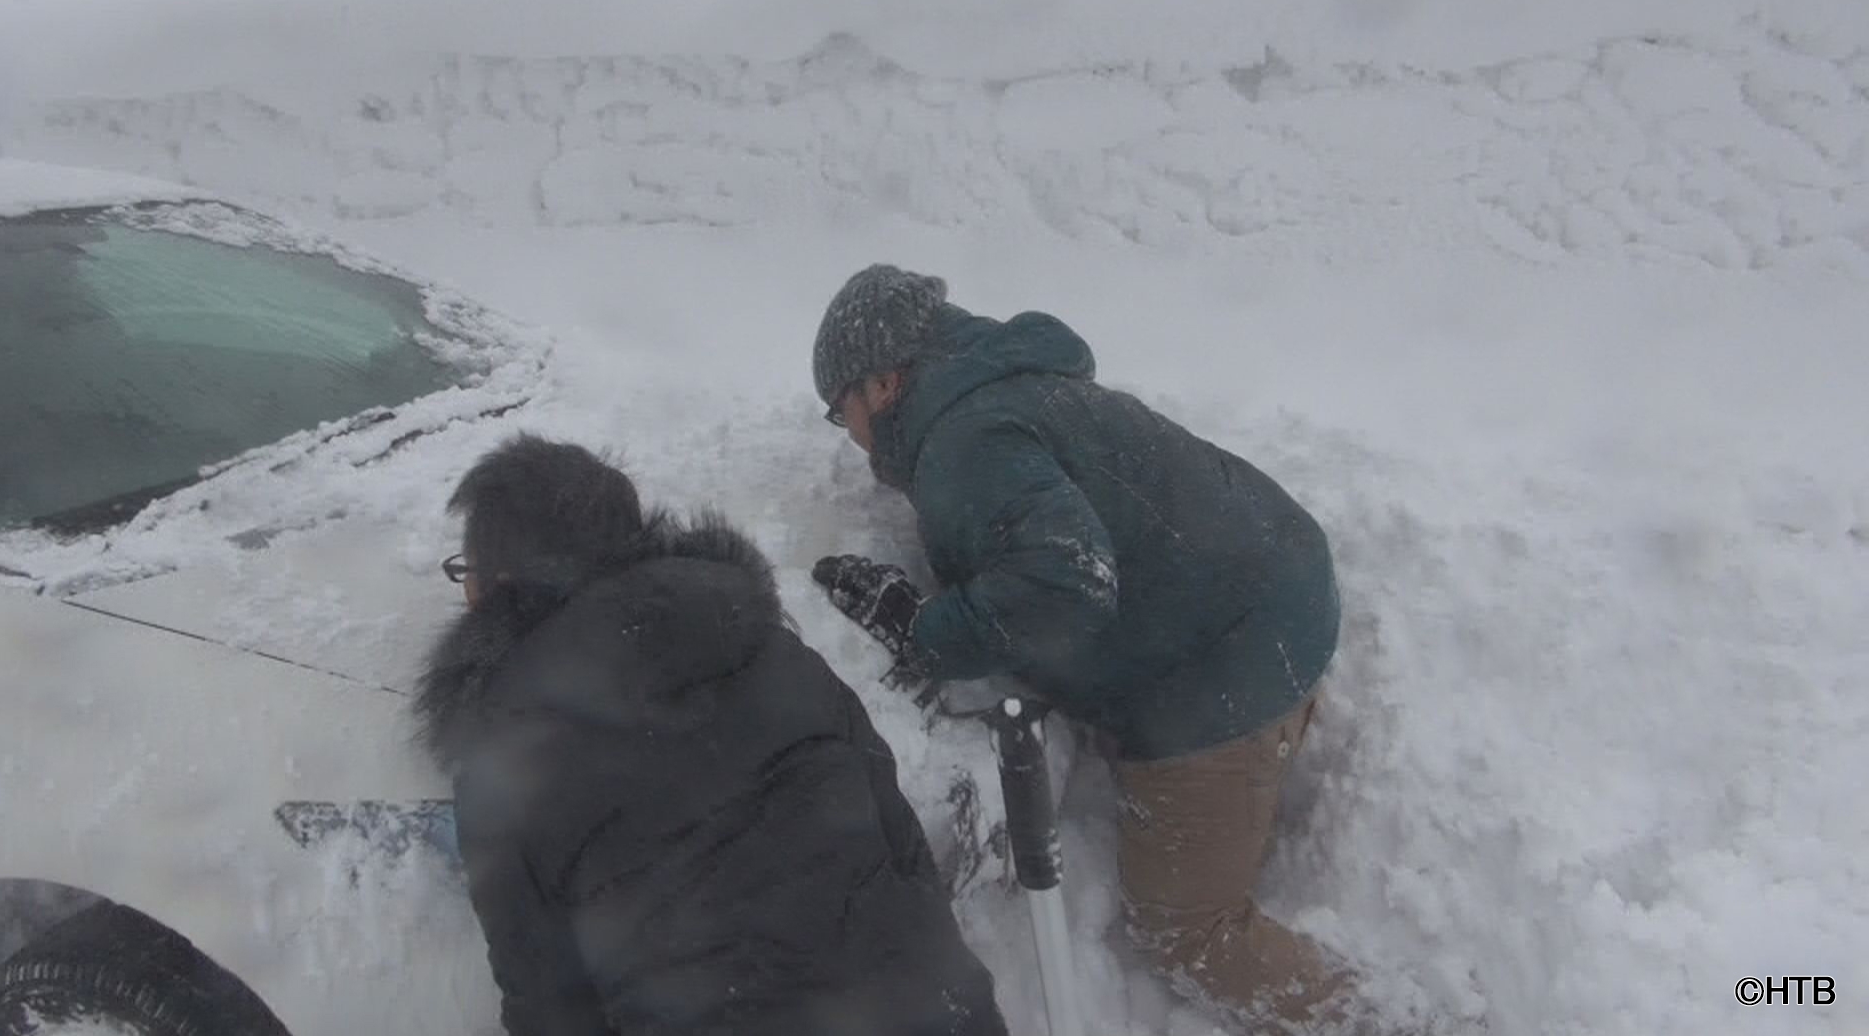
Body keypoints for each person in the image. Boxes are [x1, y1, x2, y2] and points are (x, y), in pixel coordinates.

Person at [807, 266, 1353, 1034]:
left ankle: (1389, 1021)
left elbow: (1070, 581)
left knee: (1184, 932)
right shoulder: (1011, 385)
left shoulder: (965, 444)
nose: (851, 434)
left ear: (885, 383)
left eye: (841, 411)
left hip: (1231, 670)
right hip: (1279, 586)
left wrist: (921, 632)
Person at [413, 433, 1008, 1036]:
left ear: (503, 583)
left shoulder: (506, 759)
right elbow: (904, 853)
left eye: (471, 572)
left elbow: (547, 1006)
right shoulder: (779, 653)